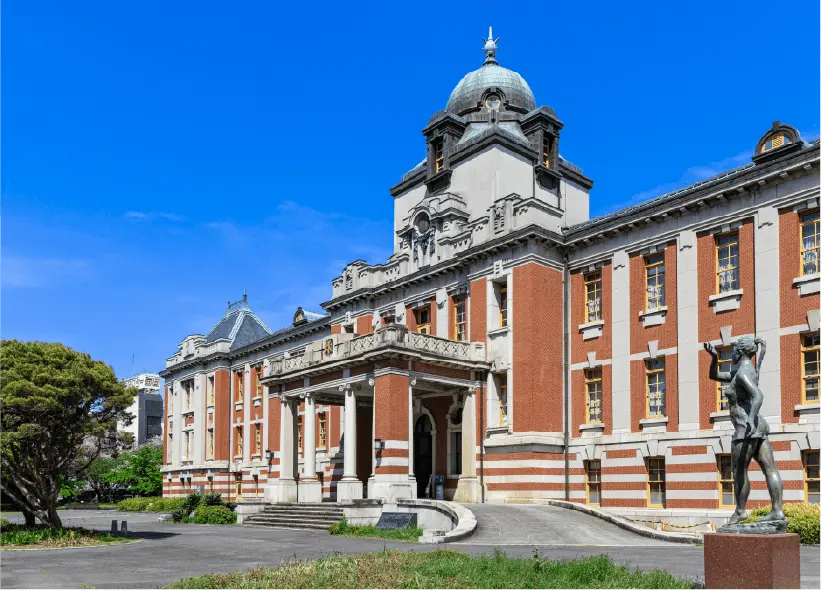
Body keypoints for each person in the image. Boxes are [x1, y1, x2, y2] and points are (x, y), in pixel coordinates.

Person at [704, 336, 784, 525]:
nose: (731, 354)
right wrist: (714, 358)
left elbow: (758, 395)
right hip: (759, 426)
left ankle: (740, 511)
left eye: (733, 350)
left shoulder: (741, 374)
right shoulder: (743, 370)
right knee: (770, 469)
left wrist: (749, 418)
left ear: (739, 352)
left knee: (739, 471)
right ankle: (777, 511)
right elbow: (714, 376)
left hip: (745, 428)